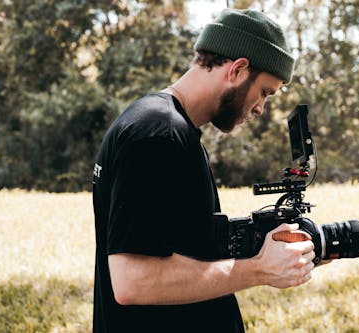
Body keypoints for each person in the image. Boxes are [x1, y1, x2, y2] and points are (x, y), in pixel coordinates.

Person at [92, 8, 331, 333]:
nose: (260, 108)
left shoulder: (170, 129)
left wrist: (271, 240)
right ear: (238, 69)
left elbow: (180, 242)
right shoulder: (159, 133)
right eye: (264, 92)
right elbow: (133, 280)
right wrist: (260, 270)